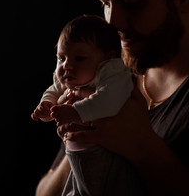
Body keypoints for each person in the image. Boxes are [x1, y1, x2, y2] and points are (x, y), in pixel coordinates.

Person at [36, 0, 189, 195]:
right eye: (105, 4)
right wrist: (85, 135)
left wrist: (140, 144)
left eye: (130, 4)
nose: (112, 22)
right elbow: (45, 192)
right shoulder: (108, 73)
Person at [32, 15, 146, 195]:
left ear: (107, 59)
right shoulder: (73, 77)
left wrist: (75, 112)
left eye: (80, 58)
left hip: (102, 158)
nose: (67, 65)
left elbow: (109, 101)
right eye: (61, 58)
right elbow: (55, 88)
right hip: (75, 156)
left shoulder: (113, 74)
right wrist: (47, 104)